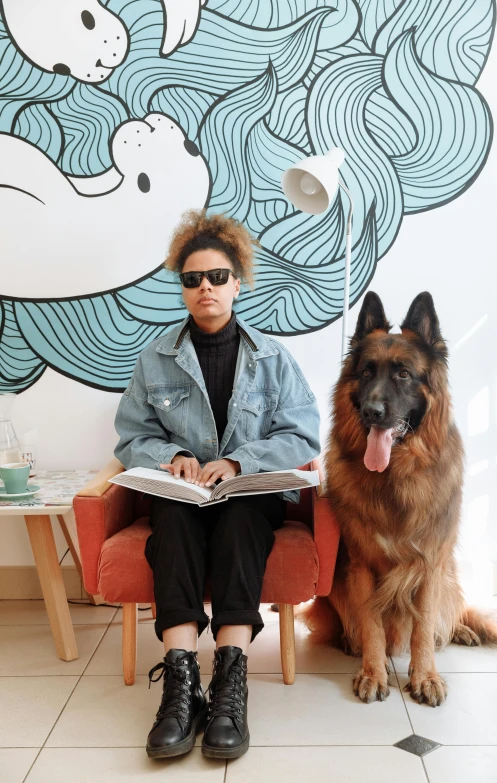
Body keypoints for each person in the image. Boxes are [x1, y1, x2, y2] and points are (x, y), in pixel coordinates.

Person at [114, 209, 321, 760]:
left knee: (239, 522)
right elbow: (131, 436)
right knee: (175, 523)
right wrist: (172, 455)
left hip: (248, 497)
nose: (205, 287)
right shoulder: (154, 358)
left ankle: (230, 681)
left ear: (237, 281)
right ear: (182, 287)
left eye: (217, 276)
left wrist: (238, 462)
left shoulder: (273, 358)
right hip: (183, 497)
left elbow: (303, 435)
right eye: (192, 278)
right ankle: (182, 687)